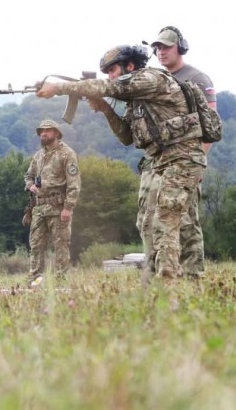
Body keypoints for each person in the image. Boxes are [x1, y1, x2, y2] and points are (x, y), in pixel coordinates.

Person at [37, 45, 207, 280]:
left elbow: (110, 87)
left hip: (182, 158)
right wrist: (106, 109)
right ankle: (160, 280)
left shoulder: (150, 78)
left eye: (113, 69)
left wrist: (59, 87)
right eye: (107, 72)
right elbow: (127, 136)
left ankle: (172, 284)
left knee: (166, 220)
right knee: (148, 222)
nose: (110, 76)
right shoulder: (136, 99)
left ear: (130, 66)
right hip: (160, 162)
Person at [151, 26, 217, 278]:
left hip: (188, 160)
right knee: (159, 221)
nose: (161, 52)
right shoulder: (158, 78)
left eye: (166, 47)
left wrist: (198, 160)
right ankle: (167, 274)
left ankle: (193, 277)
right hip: (163, 160)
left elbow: (210, 123)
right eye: (157, 48)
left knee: (187, 222)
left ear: (180, 47)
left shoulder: (198, 78)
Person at [23, 120, 81, 285]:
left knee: (61, 245)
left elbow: (74, 184)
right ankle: (35, 279)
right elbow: (28, 176)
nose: (43, 133)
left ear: (56, 133)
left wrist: (68, 208)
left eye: (47, 131)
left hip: (58, 207)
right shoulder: (38, 156)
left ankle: (61, 280)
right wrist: (30, 186)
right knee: (35, 245)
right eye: (41, 131)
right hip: (39, 206)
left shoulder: (67, 154)